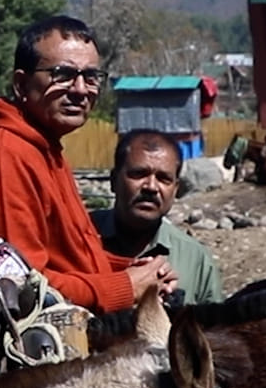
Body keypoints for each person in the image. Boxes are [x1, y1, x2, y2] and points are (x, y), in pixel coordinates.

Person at [0, 15, 175, 313]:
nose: (81, 90)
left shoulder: (45, 145)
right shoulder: (3, 151)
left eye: (91, 77)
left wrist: (138, 272)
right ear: (21, 83)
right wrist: (124, 287)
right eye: (63, 74)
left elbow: (63, 257)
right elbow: (17, 283)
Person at [91, 129, 224, 305]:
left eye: (163, 179)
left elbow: (212, 330)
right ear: (114, 180)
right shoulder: (78, 239)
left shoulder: (195, 260)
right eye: (139, 174)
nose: (151, 187)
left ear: (175, 189)